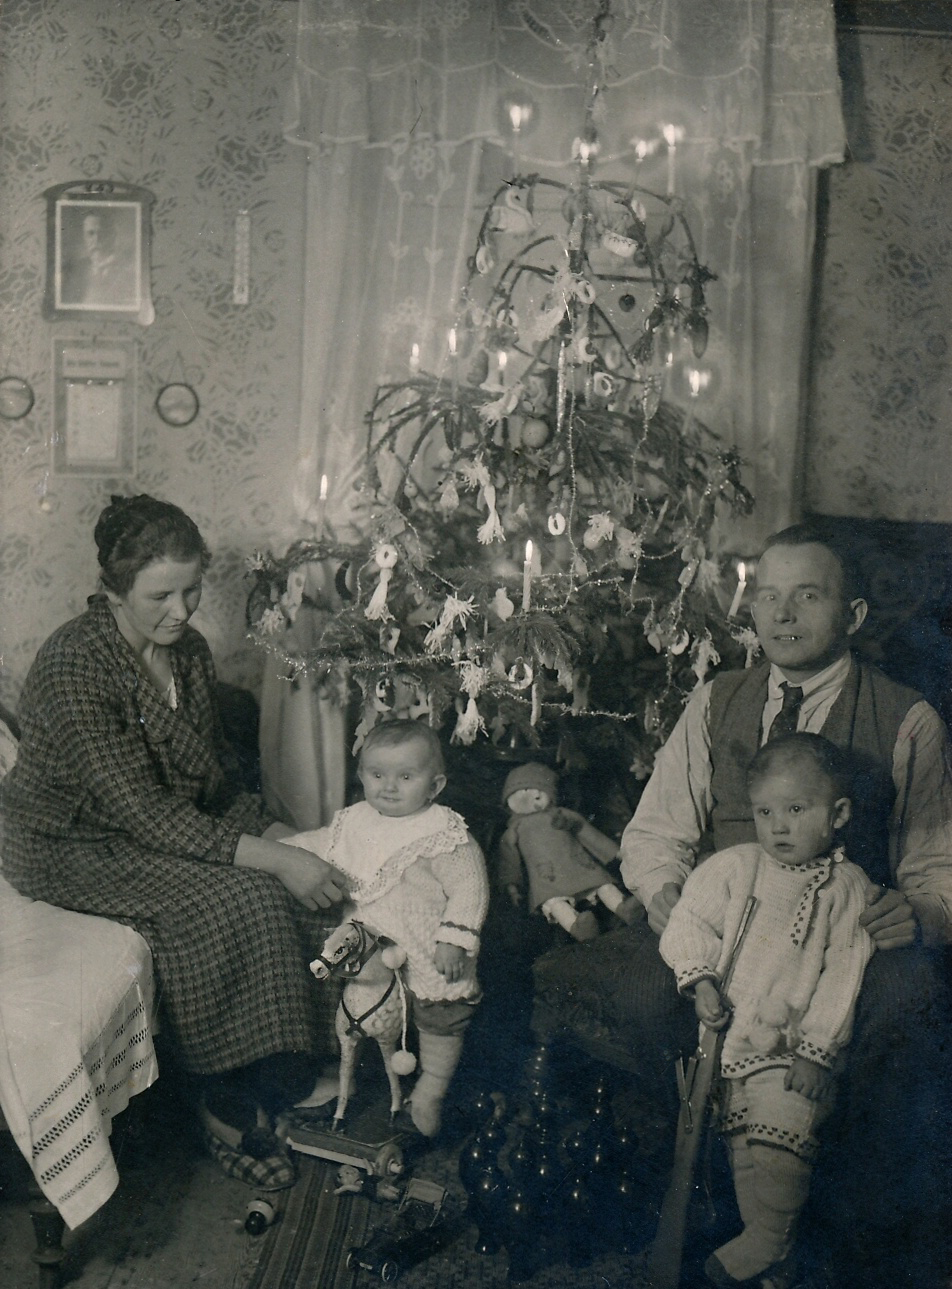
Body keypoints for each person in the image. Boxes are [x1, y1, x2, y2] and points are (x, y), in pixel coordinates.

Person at [533, 521, 952, 1288]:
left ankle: (830, 1219)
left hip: (835, 931)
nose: (782, 613)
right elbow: (657, 831)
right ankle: (719, 1184)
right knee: (644, 991)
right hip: (726, 919)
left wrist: (924, 911)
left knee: (904, 996)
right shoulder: (719, 698)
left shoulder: (906, 717)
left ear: (853, 614)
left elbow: (936, 862)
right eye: (768, 596)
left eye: (808, 595)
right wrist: (667, 895)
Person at [1, 494, 348, 1190]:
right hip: (67, 844)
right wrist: (279, 858)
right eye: (161, 595)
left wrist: (290, 837)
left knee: (316, 879)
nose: (183, 610)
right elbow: (148, 816)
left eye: (191, 589)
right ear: (113, 592)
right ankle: (221, 1096)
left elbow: (208, 782)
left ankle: (286, 1072)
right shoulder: (74, 665)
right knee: (237, 898)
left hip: (151, 824)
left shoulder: (187, 652)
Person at [659, 734, 875, 1287]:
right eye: (765, 813)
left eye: (796, 810)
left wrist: (818, 1051)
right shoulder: (737, 867)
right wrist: (699, 978)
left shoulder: (846, 887)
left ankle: (767, 1240)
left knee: (782, 1146)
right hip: (732, 1044)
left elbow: (844, 974)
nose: (778, 827)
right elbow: (689, 921)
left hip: (795, 1050)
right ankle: (775, 1255)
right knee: (747, 1152)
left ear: (837, 815)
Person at [281, 718, 489, 1138]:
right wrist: (283, 852)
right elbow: (318, 844)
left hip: (429, 942)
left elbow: (470, 888)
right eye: (377, 775)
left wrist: (454, 938)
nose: (389, 787)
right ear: (362, 776)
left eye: (406, 777)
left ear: (434, 785)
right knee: (355, 1001)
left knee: (440, 1011)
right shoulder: (356, 822)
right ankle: (352, 1076)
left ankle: (430, 1089)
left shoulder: (442, 833)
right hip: (371, 940)